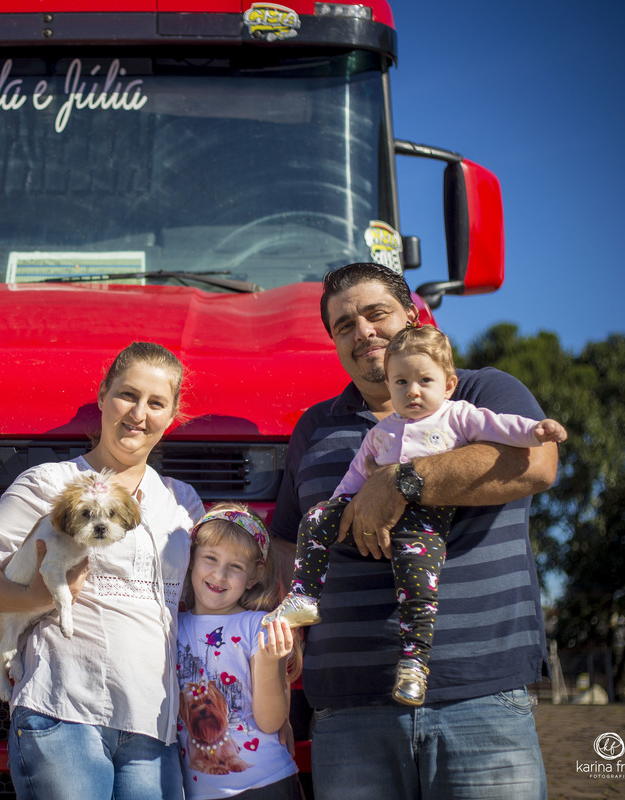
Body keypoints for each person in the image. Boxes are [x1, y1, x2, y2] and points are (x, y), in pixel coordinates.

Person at [269, 262, 556, 799]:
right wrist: (285, 640)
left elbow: (538, 464)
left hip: (478, 699)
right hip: (348, 712)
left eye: (376, 314)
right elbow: (286, 539)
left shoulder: (481, 391)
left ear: (412, 314)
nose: (363, 332)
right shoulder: (315, 426)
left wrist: (400, 483)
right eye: (343, 325)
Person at [0, 341, 204, 800]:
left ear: (172, 415)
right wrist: (37, 599)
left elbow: (201, 604)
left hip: (154, 724)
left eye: (156, 403)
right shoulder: (48, 483)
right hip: (63, 710)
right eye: (127, 395)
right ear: (103, 396)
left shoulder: (182, 502)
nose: (138, 414)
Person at [266, 324, 567, 706]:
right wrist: (338, 510)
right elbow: (354, 476)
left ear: (448, 385)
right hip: (345, 674)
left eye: (425, 380)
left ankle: (414, 661)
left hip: (424, 525)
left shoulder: (460, 415)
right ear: (389, 386)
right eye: (402, 382)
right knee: (312, 520)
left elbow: (503, 428)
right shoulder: (382, 432)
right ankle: (305, 595)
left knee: (418, 587)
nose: (413, 390)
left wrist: (537, 430)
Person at [177, 503, 302, 800]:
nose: (219, 575)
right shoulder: (171, 625)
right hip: (196, 792)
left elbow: (271, 722)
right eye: (210, 558)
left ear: (255, 575)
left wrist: (270, 662)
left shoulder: (258, 626)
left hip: (266, 785)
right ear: (191, 559)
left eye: (235, 566)